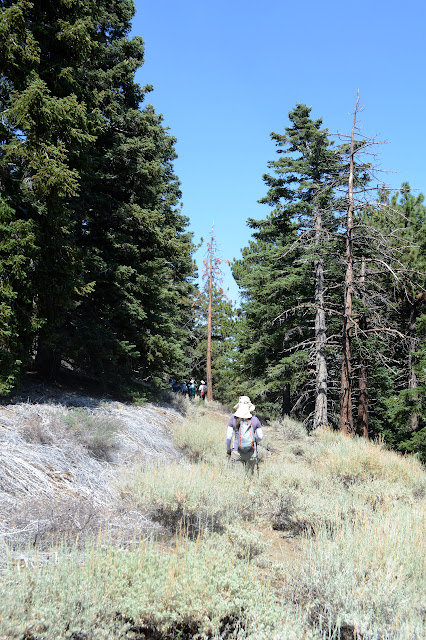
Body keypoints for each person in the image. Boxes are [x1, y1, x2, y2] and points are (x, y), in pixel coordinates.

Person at [226, 396, 263, 474]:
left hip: (236, 451)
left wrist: (228, 449)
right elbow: (260, 436)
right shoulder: (255, 419)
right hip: (251, 452)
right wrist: (255, 441)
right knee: (249, 477)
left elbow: (229, 437)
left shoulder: (233, 419)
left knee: (237, 477)